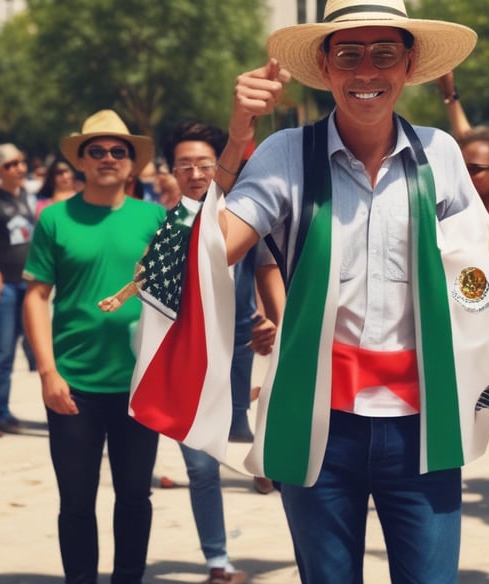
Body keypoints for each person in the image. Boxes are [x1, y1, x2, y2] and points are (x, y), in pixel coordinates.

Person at [221, 1, 489, 581]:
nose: (366, 73)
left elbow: (479, 278)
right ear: (325, 67)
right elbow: (211, 252)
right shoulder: (284, 155)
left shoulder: (441, 156)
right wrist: (235, 142)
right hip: (318, 422)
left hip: (425, 424)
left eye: (383, 53)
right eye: (348, 54)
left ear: (409, 62)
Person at [22, 110, 167, 584]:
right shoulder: (55, 219)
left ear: (132, 164)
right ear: (81, 161)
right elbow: (37, 296)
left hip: (138, 386)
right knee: (77, 502)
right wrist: (47, 372)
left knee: (134, 497)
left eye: (118, 151)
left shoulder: (155, 218)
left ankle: (129, 577)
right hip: (73, 385)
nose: (108, 158)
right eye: (97, 151)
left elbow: (175, 297)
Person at [158, 113, 284, 583]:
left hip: (240, 354)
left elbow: (267, 268)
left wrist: (276, 320)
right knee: (201, 465)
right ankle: (218, 560)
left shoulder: (244, 217)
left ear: (221, 166)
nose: (194, 173)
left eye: (204, 164)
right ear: (171, 171)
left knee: (265, 446)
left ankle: (267, 469)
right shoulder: (162, 226)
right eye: (184, 164)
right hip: (188, 363)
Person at [0, 143, 36, 433]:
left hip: (30, 285)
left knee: (41, 347)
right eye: (11, 165)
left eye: (21, 162)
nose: (19, 169)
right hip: (4, 288)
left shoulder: (27, 196)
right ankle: (0, 411)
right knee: (3, 354)